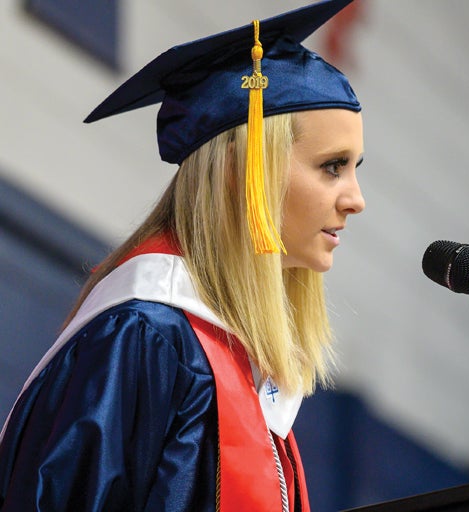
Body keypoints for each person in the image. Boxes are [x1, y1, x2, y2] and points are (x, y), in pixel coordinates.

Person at [0, 0, 364, 510]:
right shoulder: (144, 339)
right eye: (332, 167)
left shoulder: (255, 378)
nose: (356, 199)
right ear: (244, 171)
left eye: (354, 168)